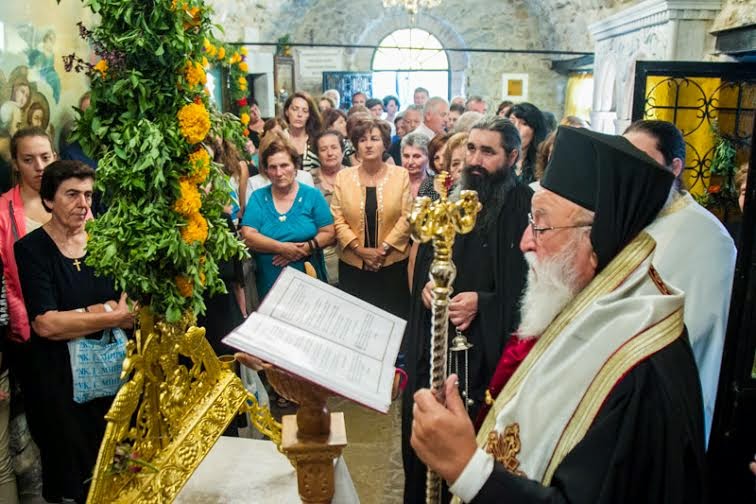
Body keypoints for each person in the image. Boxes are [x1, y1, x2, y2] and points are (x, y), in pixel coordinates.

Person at [411, 126, 706, 504]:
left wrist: (469, 470)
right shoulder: (585, 313)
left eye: (541, 225)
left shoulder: (638, 367)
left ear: (597, 242)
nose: (525, 242)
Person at [402, 117, 532, 503]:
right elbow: (427, 257)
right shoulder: (453, 203)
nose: (475, 160)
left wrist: (484, 303)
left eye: (487, 151)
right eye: (471, 149)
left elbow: (533, 290)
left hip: (487, 357)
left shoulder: (526, 207)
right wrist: (427, 288)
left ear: (512, 157)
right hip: (438, 345)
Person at [15, 160, 135, 503]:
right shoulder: (32, 249)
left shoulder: (105, 240)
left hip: (114, 378)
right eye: (72, 194)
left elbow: (130, 302)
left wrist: (81, 316)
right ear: (49, 199)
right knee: (77, 480)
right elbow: (46, 324)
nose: (83, 204)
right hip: (60, 386)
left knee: (121, 469)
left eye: (88, 195)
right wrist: (109, 315)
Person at [624, 119, 736, 444]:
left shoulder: (707, 237)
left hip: (667, 396)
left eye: (642, 162)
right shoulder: (638, 218)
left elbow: (698, 330)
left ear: (674, 167)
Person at [331, 118, 412, 318]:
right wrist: (360, 251)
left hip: (392, 263)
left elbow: (407, 216)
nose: (368, 144)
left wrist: (381, 250)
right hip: (353, 264)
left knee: (392, 319)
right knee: (355, 321)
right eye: (362, 140)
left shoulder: (400, 175)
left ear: (385, 143)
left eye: (374, 139)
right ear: (356, 146)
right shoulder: (343, 177)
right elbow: (338, 218)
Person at [240, 133, 335, 298]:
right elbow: (248, 236)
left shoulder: (312, 196)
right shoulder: (258, 197)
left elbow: (329, 232)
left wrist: (305, 248)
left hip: (309, 277)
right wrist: (282, 248)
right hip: (270, 283)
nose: (279, 172)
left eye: (284, 165)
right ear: (266, 170)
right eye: (273, 167)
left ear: (295, 166)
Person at [0, 128, 56, 346]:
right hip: (30, 331)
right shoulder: (4, 210)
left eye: (45, 157)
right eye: (28, 160)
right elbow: (6, 279)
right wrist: (23, 325)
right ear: (15, 164)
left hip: (78, 319)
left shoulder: (75, 200)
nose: (40, 167)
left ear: (55, 157)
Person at [311, 130, 346, 285]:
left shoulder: (355, 175)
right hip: (320, 253)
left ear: (342, 150)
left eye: (334, 147)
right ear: (317, 154)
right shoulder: (307, 179)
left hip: (351, 252)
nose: (329, 153)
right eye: (323, 149)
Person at [506, 102, 547, 184]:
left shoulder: (543, 165)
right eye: (512, 121)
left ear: (535, 131)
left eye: (524, 123)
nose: (516, 128)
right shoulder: (497, 160)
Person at [282, 91, 322, 173]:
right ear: (287, 112)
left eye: (305, 111)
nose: (299, 114)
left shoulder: (317, 140)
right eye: (295, 109)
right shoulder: (278, 139)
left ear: (309, 115)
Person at [417, 133, 450, 199]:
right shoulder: (427, 184)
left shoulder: (461, 184)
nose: (441, 162)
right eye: (436, 158)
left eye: (445, 156)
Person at [401, 132, 430, 199]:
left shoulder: (436, 186)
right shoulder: (393, 184)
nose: (410, 162)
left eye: (416, 156)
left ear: (428, 157)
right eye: (406, 156)